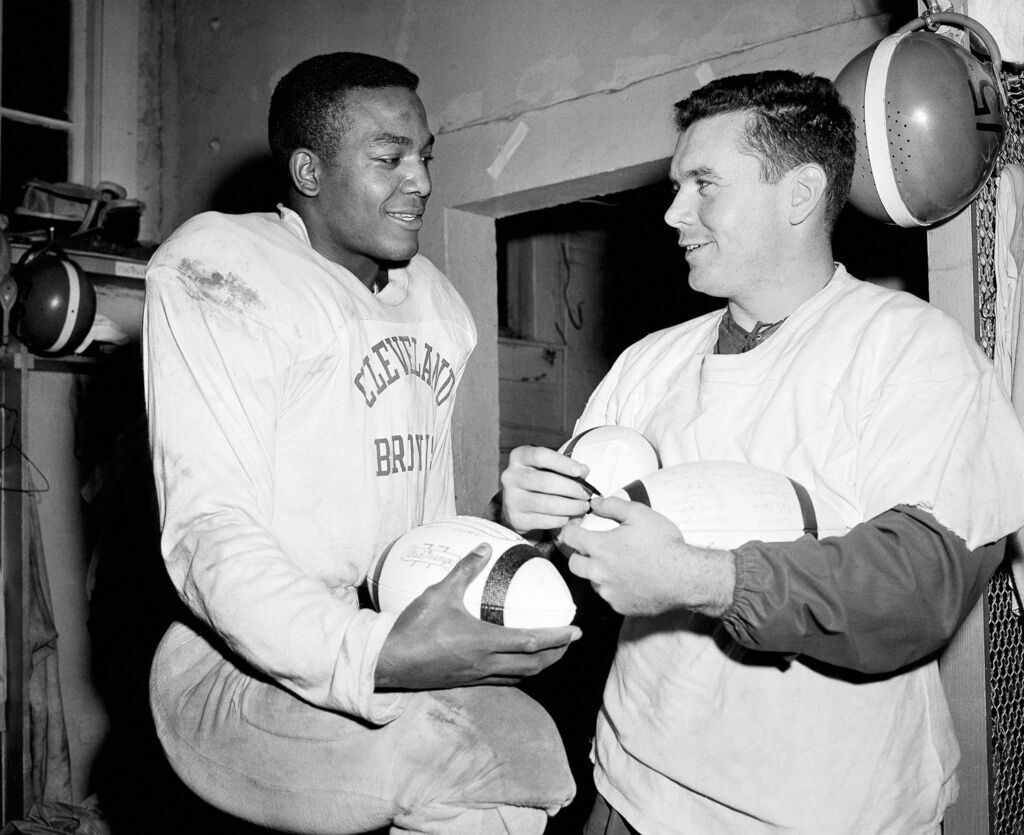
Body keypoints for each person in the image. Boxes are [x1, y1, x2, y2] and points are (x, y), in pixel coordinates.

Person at [500, 70, 1024, 834]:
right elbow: (582, 554)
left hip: (828, 812)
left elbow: (920, 584)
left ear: (800, 193)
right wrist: (537, 518)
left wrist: (707, 580)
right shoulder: (649, 362)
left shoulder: (912, 350)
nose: (674, 212)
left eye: (703, 184)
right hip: (632, 787)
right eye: (677, 185)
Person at [144, 51, 580, 835]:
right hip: (236, 662)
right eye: (389, 158)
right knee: (481, 761)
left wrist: (502, 562)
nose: (420, 180)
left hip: (385, 624)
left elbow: (418, 511)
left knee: (527, 759)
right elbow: (209, 535)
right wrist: (378, 653)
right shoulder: (220, 269)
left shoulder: (437, 304)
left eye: (425, 157)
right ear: (309, 170)